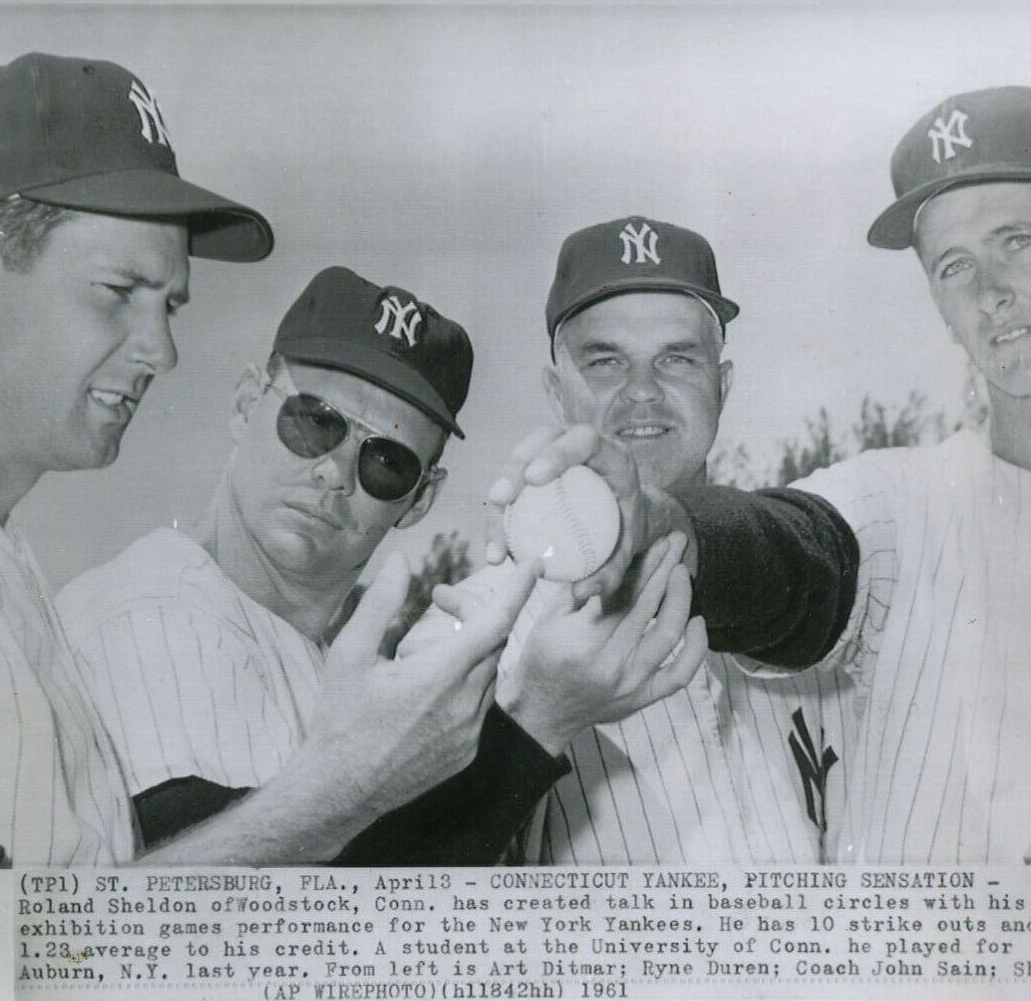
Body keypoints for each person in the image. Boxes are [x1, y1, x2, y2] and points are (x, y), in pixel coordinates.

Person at [496, 88, 1031, 866]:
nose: (989, 290)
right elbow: (799, 551)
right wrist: (665, 527)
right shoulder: (897, 499)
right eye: (954, 264)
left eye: (1018, 240)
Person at [0, 53, 534, 868]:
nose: (162, 350)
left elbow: (49, 948)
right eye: (118, 292)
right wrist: (360, 781)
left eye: (170, 304)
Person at [57, 266, 705, 865]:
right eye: (314, 422)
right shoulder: (158, 610)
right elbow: (257, 943)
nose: (334, 472)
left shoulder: (303, 648)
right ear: (246, 403)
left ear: (420, 498)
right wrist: (536, 719)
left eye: (386, 460)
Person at [460, 217, 857, 866]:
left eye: (676, 358)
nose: (642, 391)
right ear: (556, 395)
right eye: (606, 360)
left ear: (722, 386)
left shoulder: (811, 599)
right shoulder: (474, 626)